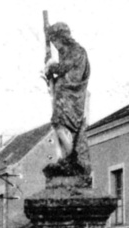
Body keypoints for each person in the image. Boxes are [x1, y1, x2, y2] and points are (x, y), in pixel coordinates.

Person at [43, 21, 92, 179]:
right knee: (60, 126)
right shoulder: (69, 51)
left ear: (61, 37)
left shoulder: (76, 51)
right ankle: (67, 158)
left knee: (60, 124)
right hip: (64, 96)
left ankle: (70, 159)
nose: (55, 46)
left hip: (71, 97)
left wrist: (51, 65)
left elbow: (63, 68)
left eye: (54, 41)